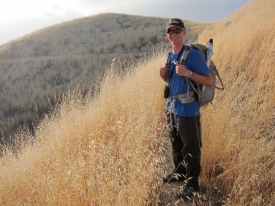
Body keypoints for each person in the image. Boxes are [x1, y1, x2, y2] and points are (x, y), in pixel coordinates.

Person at [159, 18, 213, 198]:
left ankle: (192, 184)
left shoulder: (193, 55)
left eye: (177, 30)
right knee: (176, 145)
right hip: (172, 108)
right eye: (170, 32)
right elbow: (174, 81)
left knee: (191, 147)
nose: (173, 34)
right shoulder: (169, 55)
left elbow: (208, 80)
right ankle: (179, 173)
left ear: (183, 32)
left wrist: (188, 72)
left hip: (188, 110)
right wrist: (164, 76)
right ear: (167, 35)